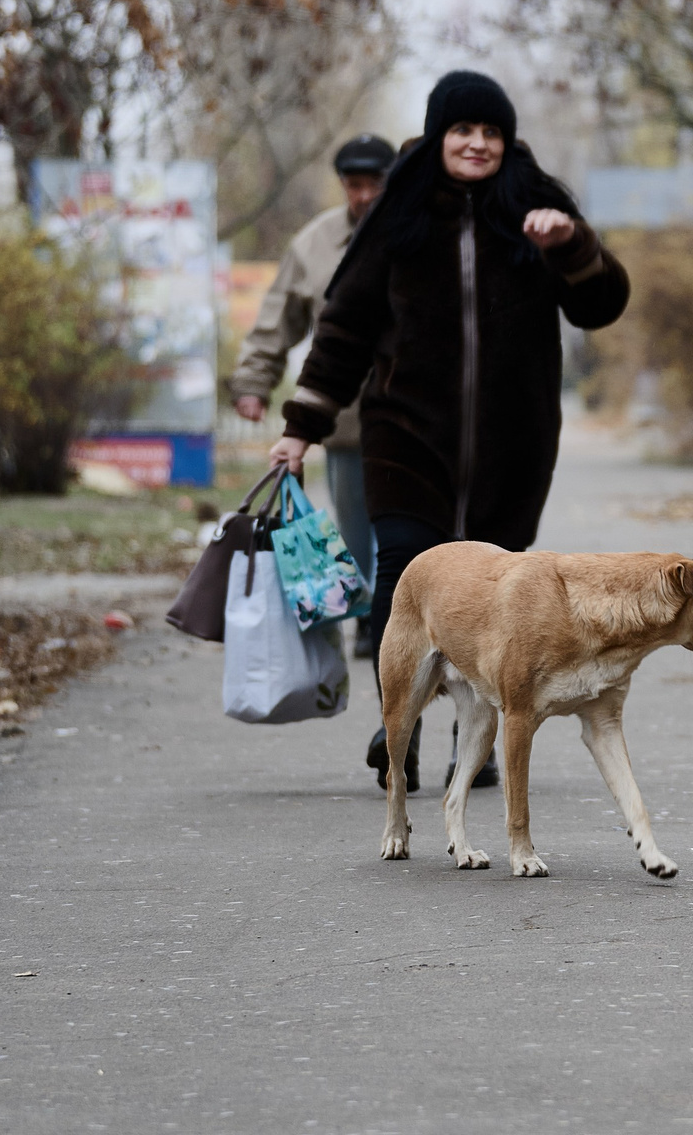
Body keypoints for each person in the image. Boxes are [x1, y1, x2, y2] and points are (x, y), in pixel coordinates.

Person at [267, 71, 630, 792]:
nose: (477, 143)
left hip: (513, 444)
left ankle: (478, 737)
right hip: (406, 436)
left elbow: (602, 307)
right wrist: (300, 429)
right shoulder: (399, 212)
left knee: (496, 595)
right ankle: (397, 727)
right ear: (439, 135)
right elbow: (344, 328)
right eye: (463, 130)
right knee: (402, 574)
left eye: (491, 132)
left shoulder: (537, 207)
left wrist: (570, 244)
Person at [230, 134, 396, 661]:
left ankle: (400, 616)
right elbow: (276, 318)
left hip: (413, 416)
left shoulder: (418, 232)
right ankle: (368, 616)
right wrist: (253, 382)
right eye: (354, 185)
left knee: (404, 524)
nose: (364, 195)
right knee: (355, 523)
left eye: (375, 184)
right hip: (345, 417)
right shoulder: (314, 244)